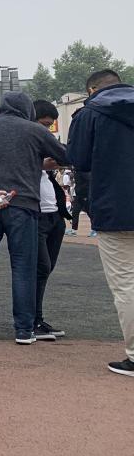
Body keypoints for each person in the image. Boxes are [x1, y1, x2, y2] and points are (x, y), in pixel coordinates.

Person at [0, 91, 68, 344]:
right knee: (23, 267)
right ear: (28, 110)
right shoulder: (35, 131)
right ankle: (23, 329)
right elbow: (66, 156)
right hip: (23, 205)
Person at [66, 69, 134, 376]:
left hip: (115, 207)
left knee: (126, 284)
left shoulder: (89, 113)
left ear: (92, 90)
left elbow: (78, 159)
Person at [32, 100, 70, 341]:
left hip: (54, 214)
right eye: (44, 124)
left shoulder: (45, 142)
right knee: (40, 268)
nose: (47, 130)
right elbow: (11, 168)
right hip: (34, 215)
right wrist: (40, 165)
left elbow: (67, 156)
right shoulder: (23, 141)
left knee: (45, 270)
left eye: (49, 126)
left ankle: (37, 318)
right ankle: (30, 320)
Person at [66, 169, 91, 236]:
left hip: (84, 195)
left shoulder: (84, 172)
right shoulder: (77, 172)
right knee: (75, 212)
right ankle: (74, 230)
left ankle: (94, 229)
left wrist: (85, 194)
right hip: (79, 195)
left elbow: (88, 182)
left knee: (90, 212)